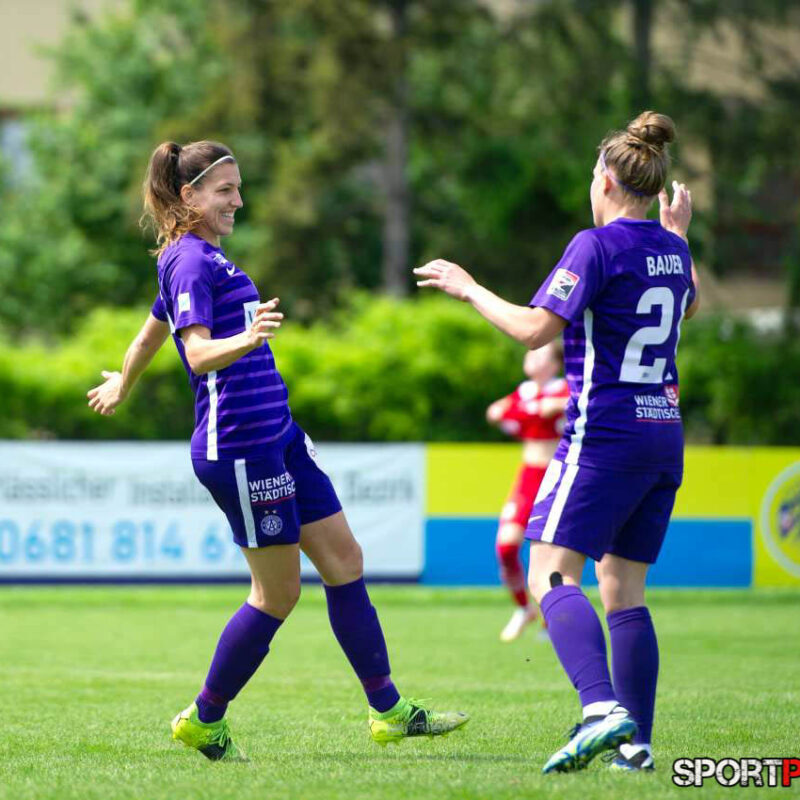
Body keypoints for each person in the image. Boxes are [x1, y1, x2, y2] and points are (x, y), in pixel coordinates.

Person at [87, 140, 468, 762]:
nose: (239, 200)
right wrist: (247, 336)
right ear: (189, 196)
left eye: (238, 188)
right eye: (225, 190)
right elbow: (196, 352)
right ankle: (203, 719)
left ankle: (390, 711)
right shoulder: (190, 262)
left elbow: (151, 332)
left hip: (279, 437)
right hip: (240, 448)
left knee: (345, 560)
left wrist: (122, 383)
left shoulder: (204, 258)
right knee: (277, 595)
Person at [414, 111, 697, 774]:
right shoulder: (674, 248)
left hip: (606, 435)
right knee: (624, 590)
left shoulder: (595, 246)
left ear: (606, 181)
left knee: (548, 571)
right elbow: (687, 305)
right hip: (663, 436)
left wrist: (468, 287)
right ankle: (636, 747)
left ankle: (600, 710)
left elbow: (533, 330)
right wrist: (680, 236)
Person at [486, 344, 568, 642]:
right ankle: (524, 608)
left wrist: (557, 405)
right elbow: (495, 412)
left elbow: (583, 403)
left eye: (540, 354)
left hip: (556, 477)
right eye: (530, 353)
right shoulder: (524, 392)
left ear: (555, 364)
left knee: (553, 553)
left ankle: (551, 618)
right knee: (506, 546)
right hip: (528, 478)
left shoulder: (565, 389)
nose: (531, 357)